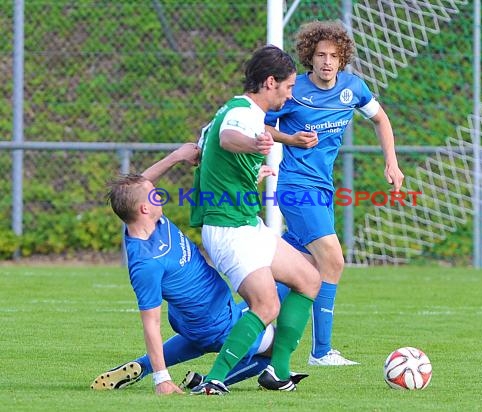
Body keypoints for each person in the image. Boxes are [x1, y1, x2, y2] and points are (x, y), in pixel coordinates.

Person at [96, 144, 307, 395]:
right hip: (214, 322)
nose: (159, 195)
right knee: (274, 349)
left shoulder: (151, 223)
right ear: (144, 208)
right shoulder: (146, 262)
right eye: (154, 195)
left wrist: (175, 157)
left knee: (275, 290)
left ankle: (142, 366)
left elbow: (139, 185)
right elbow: (151, 323)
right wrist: (162, 380)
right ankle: (208, 381)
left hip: (200, 317)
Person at [265, 20, 405, 366]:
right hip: (296, 187)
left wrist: (392, 163)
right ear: (309, 58)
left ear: (343, 60)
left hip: (322, 189)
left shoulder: (353, 89)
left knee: (296, 268)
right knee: (333, 260)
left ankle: (244, 321)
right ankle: (321, 351)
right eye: (320, 55)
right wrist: (291, 139)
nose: (327, 62)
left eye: (334, 56)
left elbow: (381, 119)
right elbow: (263, 124)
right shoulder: (293, 90)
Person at [188, 45, 322, 395]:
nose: (290, 94)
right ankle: (213, 381)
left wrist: (286, 140)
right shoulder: (239, 114)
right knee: (266, 305)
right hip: (230, 230)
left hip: (246, 224)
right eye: (289, 87)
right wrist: (253, 146)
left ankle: (276, 371)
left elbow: (219, 139)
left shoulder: (242, 110)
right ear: (269, 82)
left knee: (309, 278)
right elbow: (228, 138)